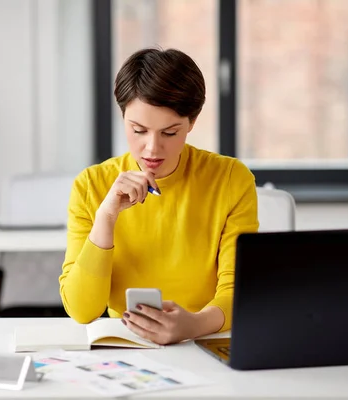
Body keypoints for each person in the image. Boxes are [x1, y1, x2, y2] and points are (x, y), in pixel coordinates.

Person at [59, 48, 258, 345]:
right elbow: (81, 310)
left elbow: (239, 289)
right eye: (138, 130)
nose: (152, 149)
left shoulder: (230, 179)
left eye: (169, 133)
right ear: (123, 116)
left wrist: (194, 326)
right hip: (124, 346)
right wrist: (106, 217)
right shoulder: (91, 185)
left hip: (205, 339)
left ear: (192, 122)